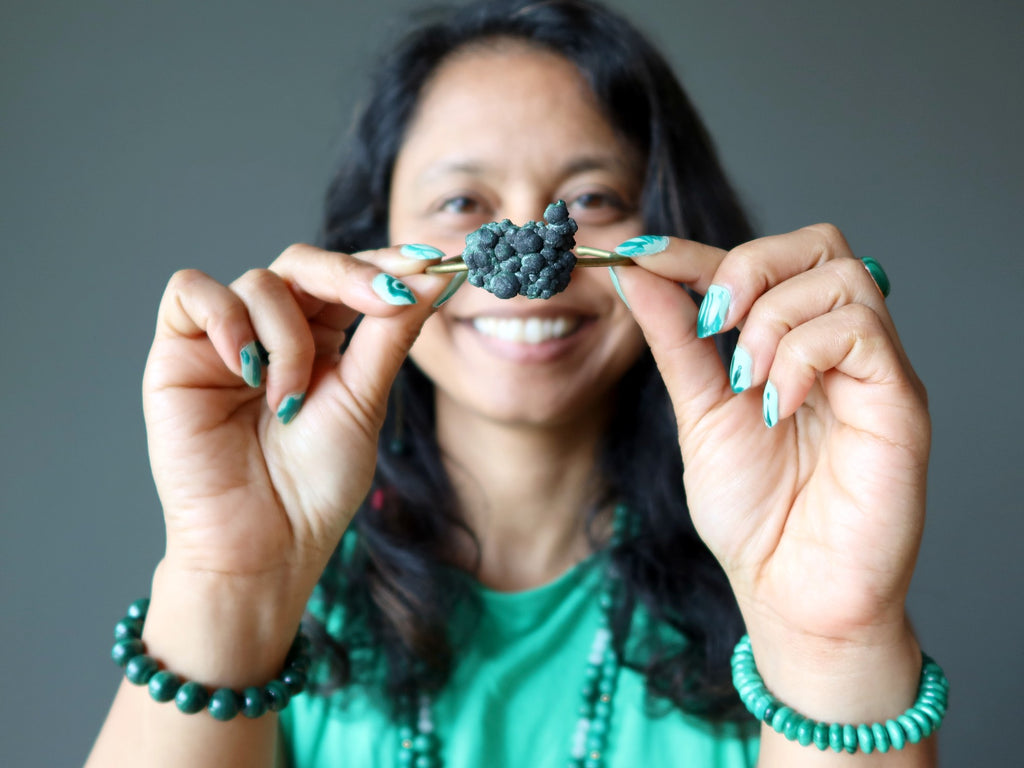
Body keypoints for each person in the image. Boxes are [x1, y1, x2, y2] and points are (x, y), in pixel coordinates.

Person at [86, 1, 942, 766]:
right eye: (461, 202)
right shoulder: (296, 597)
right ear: (371, 241)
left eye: (591, 198)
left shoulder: (770, 579)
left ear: (671, 230)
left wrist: (837, 639)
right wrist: (228, 580)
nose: (526, 262)